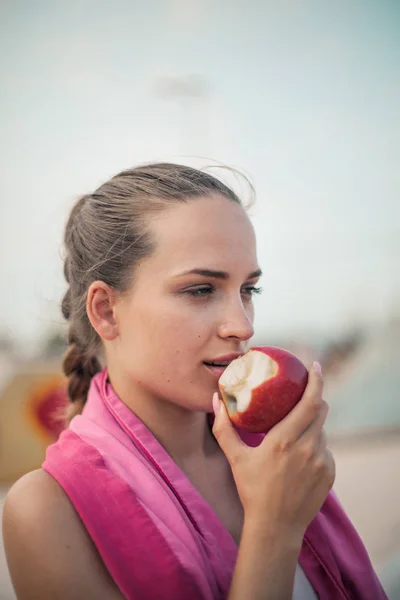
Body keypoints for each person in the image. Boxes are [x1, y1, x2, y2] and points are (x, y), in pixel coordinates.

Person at [3, 163, 387, 600]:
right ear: (107, 311)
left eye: (248, 290)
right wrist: (274, 529)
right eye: (201, 290)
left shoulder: (273, 452)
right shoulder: (48, 512)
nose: (242, 326)